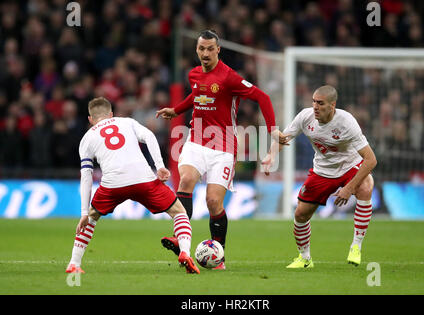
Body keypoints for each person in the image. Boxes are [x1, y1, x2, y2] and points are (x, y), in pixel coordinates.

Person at [156, 30, 281, 270]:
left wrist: (273, 129)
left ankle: (218, 254)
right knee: (186, 180)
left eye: (209, 49)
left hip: (223, 147)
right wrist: (177, 110)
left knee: (213, 201)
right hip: (195, 140)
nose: (205, 53)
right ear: (197, 49)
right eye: (201, 48)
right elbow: (196, 95)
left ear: (218, 50)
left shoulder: (229, 77)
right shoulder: (193, 74)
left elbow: (263, 97)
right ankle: (181, 242)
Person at [65, 97, 199, 274]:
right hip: (143, 178)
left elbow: (86, 175)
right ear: (111, 114)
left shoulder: (87, 139)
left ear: (90, 119)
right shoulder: (126, 122)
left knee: (90, 219)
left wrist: (84, 212)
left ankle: (74, 263)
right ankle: (184, 253)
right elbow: (149, 136)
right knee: (179, 212)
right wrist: (159, 166)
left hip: (112, 184)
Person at [262, 85, 377, 268]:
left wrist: (349, 188)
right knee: (300, 214)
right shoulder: (305, 117)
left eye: (320, 103)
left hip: (350, 166)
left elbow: (370, 160)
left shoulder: (347, 122)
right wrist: (271, 155)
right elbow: (284, 138)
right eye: (314, 102)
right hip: (322, 170)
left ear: (332, 105)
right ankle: (305, 258)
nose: (315, 106)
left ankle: (356, 246)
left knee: (365, 186)